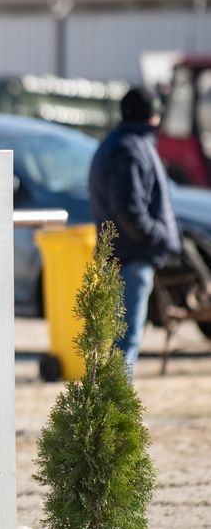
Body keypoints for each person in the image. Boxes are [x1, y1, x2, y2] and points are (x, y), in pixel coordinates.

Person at [88, 85, 182, 379]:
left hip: (124, 255)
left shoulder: (121, 143)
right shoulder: (130, 149)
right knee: (124, 345)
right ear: (152, 115)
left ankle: (111, 404)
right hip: (132, 258)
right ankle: (115, 407)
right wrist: (157, 234)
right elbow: (129, 210)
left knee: (118, 344)